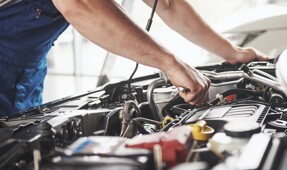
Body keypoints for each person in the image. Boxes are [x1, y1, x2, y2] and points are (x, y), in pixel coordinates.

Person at [0, 0, 268, 116]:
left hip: (25, 72)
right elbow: (80, 5)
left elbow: (167, 4)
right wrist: (169, 63)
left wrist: (232, 53)